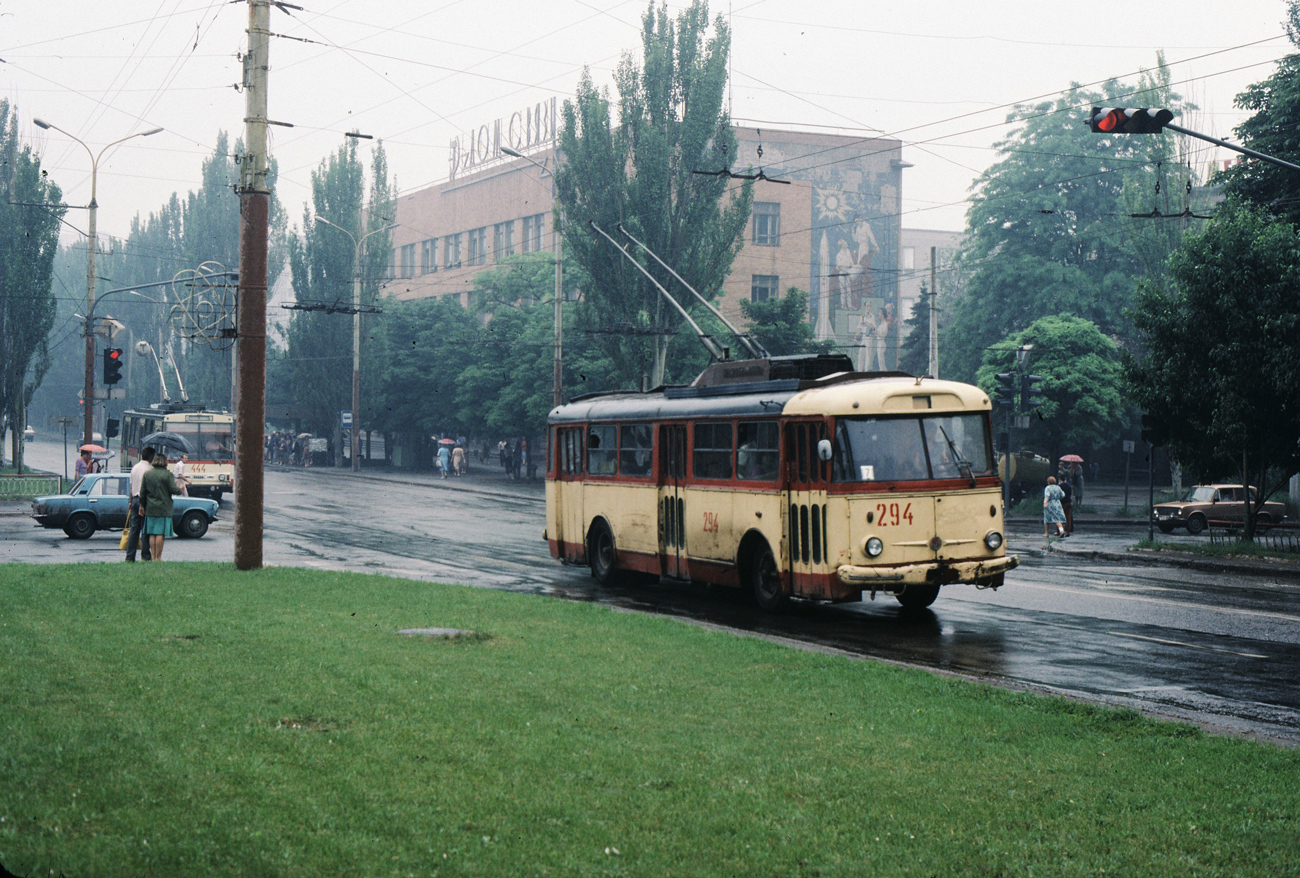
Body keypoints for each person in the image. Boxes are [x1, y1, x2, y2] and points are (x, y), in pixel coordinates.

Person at [139, 449, 187, 561]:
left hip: (150, 507)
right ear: (164, 462)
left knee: (152, 533)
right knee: (160, 533)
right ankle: (158, 557)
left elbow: (142, 492)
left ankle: (153, 556)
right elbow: (173, 490)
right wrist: (180, 488)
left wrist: (142, 505)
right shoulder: (167, 475)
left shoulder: (147, 474)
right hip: (164, 507)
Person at [124, 447, 156, 562]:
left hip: (135, 500)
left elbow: (131, 487)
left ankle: (129, 556)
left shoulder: (135, 468)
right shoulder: (150, 469)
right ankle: (145, 556)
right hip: (145, 501)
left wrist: (130, 501)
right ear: (151, 456)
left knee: (134, 530)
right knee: (145, 530)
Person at [1059, 471, 1074, 536]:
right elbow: (1070, 494)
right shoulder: (1068, 486)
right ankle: (1068, 532)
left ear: (1060, 479)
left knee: (1059, 518)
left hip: (1062, 503)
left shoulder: (1059, 486)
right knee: (1068, 518)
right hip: (1069, 502)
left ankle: (1060, 531)